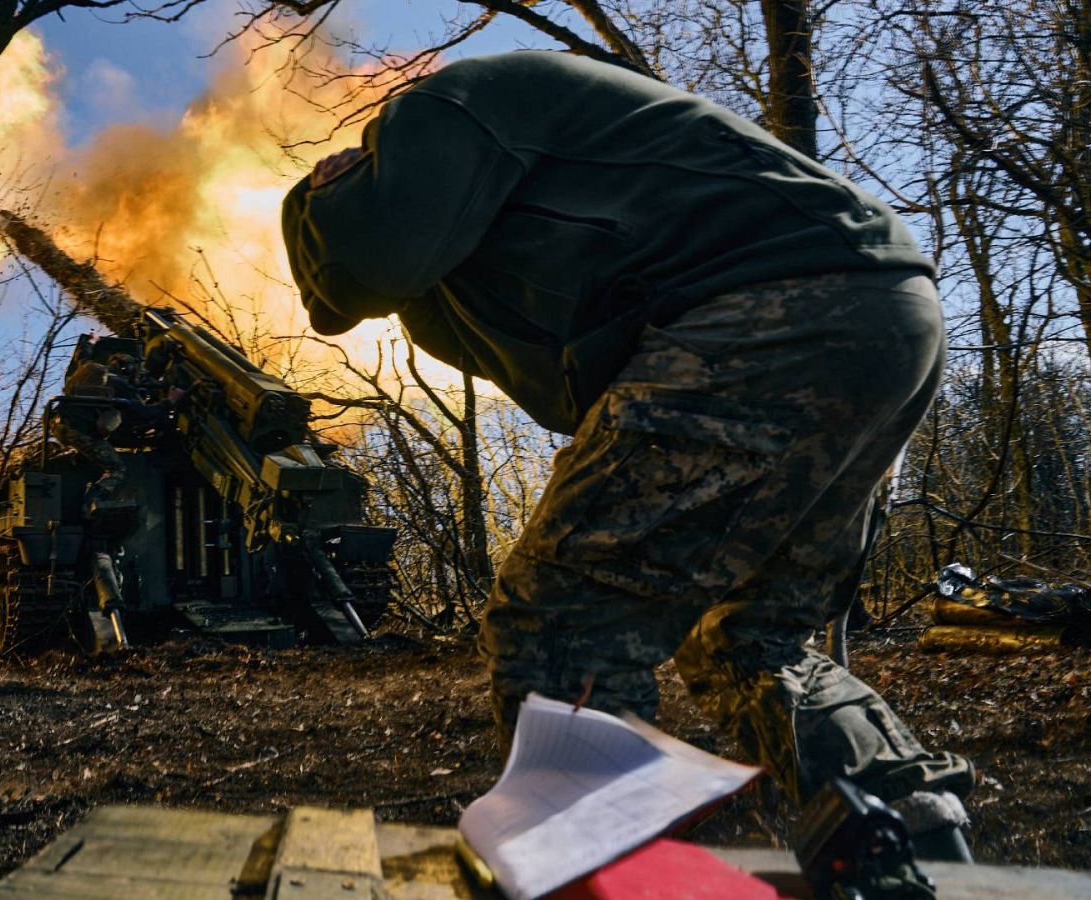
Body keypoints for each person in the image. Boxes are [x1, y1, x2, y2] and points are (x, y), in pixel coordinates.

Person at [281, 51, 975, 858]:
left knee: (565, 616)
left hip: (772, 310)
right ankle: (913, 839)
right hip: (882, 314)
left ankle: (607, 864)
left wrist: (316, 199)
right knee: (747, 634)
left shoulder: (442, 107)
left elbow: (364, 269)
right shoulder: (518, 193)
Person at [53, 350, 182, 516]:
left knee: (93, 445)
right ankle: (92, 501)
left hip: (58, 425)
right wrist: (171, 400)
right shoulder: (119, 384)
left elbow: (82, 359)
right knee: (116, 468)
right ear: (127, 368)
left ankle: (80, 458)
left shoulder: (90, 372)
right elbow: (144, 414)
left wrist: (89, 343)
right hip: (80, 431)